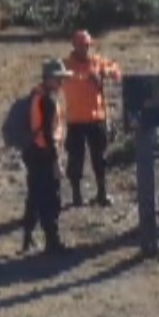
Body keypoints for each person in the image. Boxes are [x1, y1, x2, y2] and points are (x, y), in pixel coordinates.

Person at [62, 30, 122, 208]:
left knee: (100, 158)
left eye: (88, 45)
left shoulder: (97, 62)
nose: (85, 49)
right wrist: (88, 78)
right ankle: (76, 196)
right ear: (74, 46)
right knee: (75, 159)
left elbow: (117, 71)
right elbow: (63, 79)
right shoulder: (66, 65)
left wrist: (106, 73)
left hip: (97, 119)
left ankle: (102, 193)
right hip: (75, 120)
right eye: (82, 45)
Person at [23, 59, 73, 255]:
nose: (62, 83)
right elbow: (48, 134)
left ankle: (28, 237)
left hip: (32, 152)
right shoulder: (48, 101)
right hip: (44, 153)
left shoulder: (36, 95)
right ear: (49, 79)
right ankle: (52, 242)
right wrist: (56, 162)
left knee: (35, 196)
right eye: (59, 79)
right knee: (51, 198)